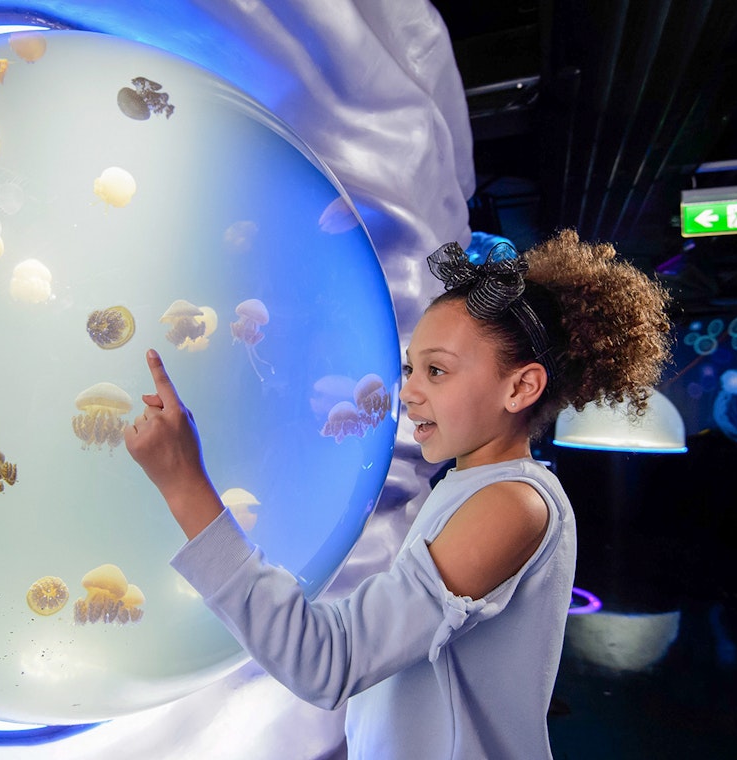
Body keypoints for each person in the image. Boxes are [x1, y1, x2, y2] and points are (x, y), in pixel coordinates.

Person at [124, 229, 672, 759]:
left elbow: (326, 662)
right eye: (411, 368)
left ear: (520, 387)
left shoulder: (513, 505)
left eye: (436, 370)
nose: (407, 390)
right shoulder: (468, 486)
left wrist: (184, 486)